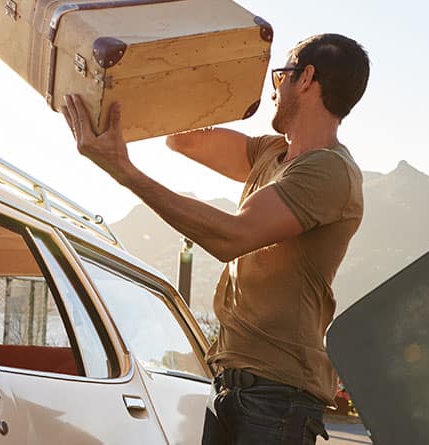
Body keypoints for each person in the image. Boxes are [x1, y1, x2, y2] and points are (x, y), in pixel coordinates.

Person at [62, 33, 369, 445]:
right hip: (230, 380)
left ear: (307, 78)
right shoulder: (271, 154)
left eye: (281, 76)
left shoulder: (330, 172)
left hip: (277, 394)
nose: (273, 90)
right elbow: (182, 137)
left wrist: (126, 172)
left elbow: (232, 237)